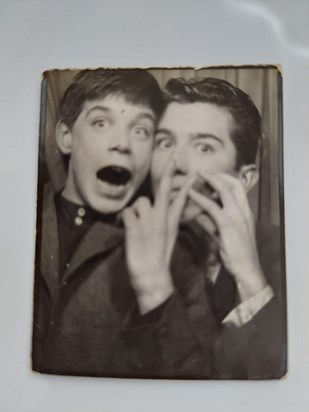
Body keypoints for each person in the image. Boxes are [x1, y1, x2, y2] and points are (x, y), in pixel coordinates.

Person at [123, 77, 287, 379]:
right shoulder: (123, 255)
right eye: (165, 143)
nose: (177, 164)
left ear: (245, 178)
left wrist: (250, 277)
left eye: (203, 147)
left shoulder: (287, 256)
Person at [32, 68, 170, 377]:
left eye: (141, 130)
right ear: (66, 137)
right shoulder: (17, 219)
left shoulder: (170, 251)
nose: (122, 143)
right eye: (101, 123)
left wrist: (155, 293)